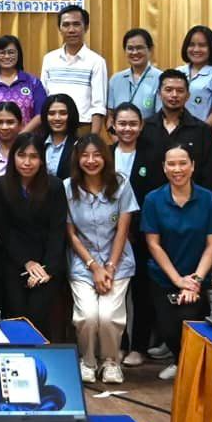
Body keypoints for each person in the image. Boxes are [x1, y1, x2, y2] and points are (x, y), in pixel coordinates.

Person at [140, 144, 212, 380]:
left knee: (192, 320)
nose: (178, 169)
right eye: (172, 164)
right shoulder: (153, 200)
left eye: (183, 163)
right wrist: (178, 281)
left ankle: (190, 367)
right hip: (164, 277)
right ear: (164, 168)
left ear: (193, 166)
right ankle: (178, 359)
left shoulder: (209, 200)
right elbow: (153, 244)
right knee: (168, 328)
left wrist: (195, 281)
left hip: (197, 276)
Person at [66, 133, 138, 383]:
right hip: (83, 262)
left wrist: (109, 266)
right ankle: (87, 361)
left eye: (97, 155)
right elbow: (71, 235)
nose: (91, 160)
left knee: (108, 317)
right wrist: (94, 267)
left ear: (106, 157)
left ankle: (111, 362)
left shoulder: (121, 183)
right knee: (87, 315)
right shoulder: (67, 187)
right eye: (85, 155)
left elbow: (123, 229)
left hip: (117, 262)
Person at [0, 134, 69, 327]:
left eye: (34, 157)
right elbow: (3, 230)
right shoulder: (1, 185)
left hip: (47, 262)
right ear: (13, 158)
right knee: (17, 313)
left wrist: (46, 270)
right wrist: (26, 262)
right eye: (21, 155)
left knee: (37, 313)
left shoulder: (54, 186)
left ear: (42, 160)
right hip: (14, 259)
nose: (27, 162)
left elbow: (57, 230)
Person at [136, 71, 212, 195]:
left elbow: (209, 175)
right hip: (152, 204)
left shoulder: (202, 130)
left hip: (192, 203)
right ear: (159, 93)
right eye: (168, 90)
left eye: (180, 91)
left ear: (188, 95)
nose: (174, 95)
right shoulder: (145, 128)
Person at [39, 4, 109, 133]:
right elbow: (44, 97)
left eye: (76, 24)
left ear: (86, 27)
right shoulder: (49, 59)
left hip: (82, 127)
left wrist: (92, 138)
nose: (71, 30)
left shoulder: (96, 61)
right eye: (66, 25)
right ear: (59, 28)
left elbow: (98, 105)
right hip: (53, 125)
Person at [0, 35, 46, 139]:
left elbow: (40, 114)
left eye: (11, 52)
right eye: (2, 53)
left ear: (19, 55)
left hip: (28, 143)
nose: (7, 56)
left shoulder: (33, 83)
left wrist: (21, 138)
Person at [177, 26, 212, 123]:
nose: (196, 49)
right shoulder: (178, 72)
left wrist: (201, 133)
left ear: (211, 48)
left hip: (206, 135)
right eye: (191, 45)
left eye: (202, 45)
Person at [107, 28, 162, 121]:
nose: (135, 52)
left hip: (150, 134)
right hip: (120, 135)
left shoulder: (161, 78)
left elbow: (162, 117)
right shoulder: (116, 79)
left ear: (150, 49)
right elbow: (110, 116)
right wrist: (114, 136)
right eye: (130, 48)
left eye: (139, 48)